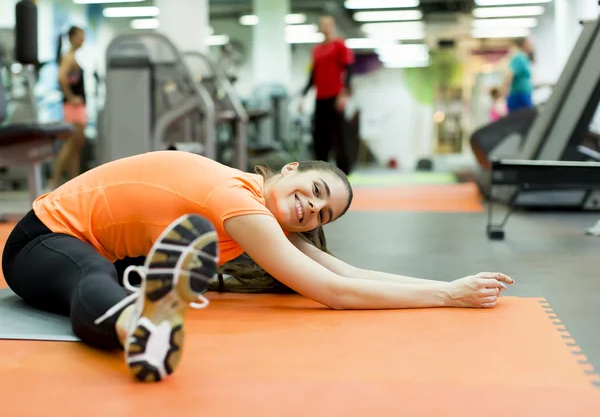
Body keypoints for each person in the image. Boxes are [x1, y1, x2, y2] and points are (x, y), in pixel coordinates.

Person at [1, 151, 514, 383]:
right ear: (289, 170)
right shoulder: (238, 201)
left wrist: (447, 285)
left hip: (97, 252)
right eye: (314, 192)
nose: (313, 210)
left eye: (324, 212)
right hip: (41, 240)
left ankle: (143, 304)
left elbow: (344, 271)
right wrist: (446, 298)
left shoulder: (257, 214)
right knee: (92, 279)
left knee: (101, 275)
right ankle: (141, 325)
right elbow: (333, 292)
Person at [299, 15, 355, 175]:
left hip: (336, 96)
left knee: (339, 136)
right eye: (323, 25)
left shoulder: (340, 46)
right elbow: (312, 76)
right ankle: (321, 170)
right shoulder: (316, 50)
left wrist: (344, 94)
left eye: (328, 24)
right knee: (319, 136)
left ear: (333, 26)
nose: (326, 27)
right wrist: (303, 96)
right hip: (320, 98)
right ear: (320, 28)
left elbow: (348, 71)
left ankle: (344, 171)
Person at [49, 26, 87, 190]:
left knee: (77, 144)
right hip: (72, 107)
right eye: (80, 36)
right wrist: (71, 97)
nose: (82, 40)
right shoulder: (68, 58)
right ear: (72, 38)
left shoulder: (73, 57)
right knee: (72, 144)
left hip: (76, 107)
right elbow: (61, 78)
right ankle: (54, 179)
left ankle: (74, 182)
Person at [503, 37, 534, 113]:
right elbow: (509, 76)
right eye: (529, 42)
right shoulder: (519, 57)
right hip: (519, 96)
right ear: (524, 44)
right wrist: (504, 94)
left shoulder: (524, 58)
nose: (532, 45)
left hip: (523, 95)